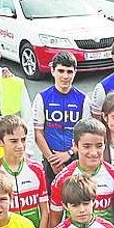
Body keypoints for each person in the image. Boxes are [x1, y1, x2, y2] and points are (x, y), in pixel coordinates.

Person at [50, 118, 114, 228]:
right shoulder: (62, 179)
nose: (93, 152)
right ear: (75, 145)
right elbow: (55, 219)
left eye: (99, 146)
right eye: (86, 146)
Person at [0, 114, 50, 228]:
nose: (20, 145)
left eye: (23, 140)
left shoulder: (37, 169)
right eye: (13, 141)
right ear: (0, 142)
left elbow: (45, 211)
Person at [33, 51, 86, 180]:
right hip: (50, 160)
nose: (65, 76)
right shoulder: (42, 98)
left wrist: (69, 153)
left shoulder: (83, 99)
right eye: (61, 71)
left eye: (69, 72)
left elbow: (85, 135)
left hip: (75, 159)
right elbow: (37, 133)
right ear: (52, 71)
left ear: (75, 72)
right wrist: (53, 161)